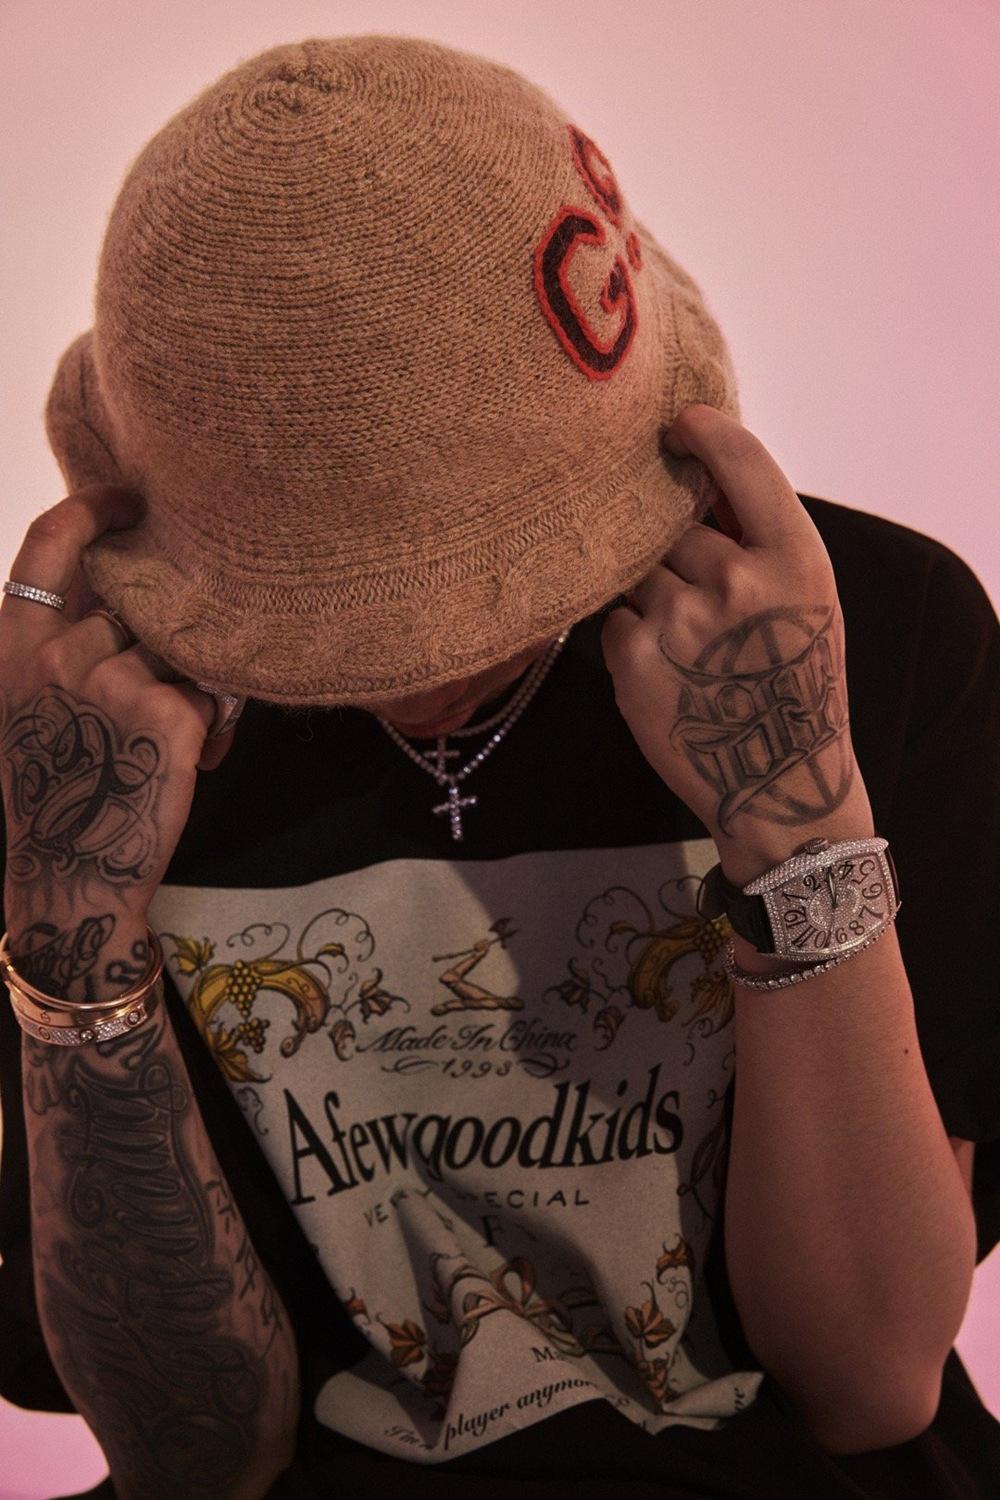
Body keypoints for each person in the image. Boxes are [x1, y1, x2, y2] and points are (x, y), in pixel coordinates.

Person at [0, 34, 997, 1500]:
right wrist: (73, 919)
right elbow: (192, 1459)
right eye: (328, 608)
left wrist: (801, 821)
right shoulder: (86, 749)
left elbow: (868, 1384)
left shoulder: (870, 630)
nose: (417, 654)